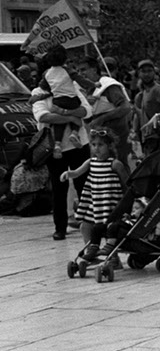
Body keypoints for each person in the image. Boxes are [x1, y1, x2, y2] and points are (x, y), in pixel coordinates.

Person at [32, 69, 90, 240]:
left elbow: (86, 111)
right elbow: (43, 116)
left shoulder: (72, 87)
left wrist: (63, 113)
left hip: (79, 146)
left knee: (84, 186)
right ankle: (60, 228)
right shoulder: (38, 93)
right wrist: (71, 118)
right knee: (59, 189)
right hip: (54, 149)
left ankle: (90, 224)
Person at [61, 127, 127, 264]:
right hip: (95, 203)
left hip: (110, 204)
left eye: (100, 145)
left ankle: (114, 258)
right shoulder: (91, 162)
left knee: (109, 229)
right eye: (93, 144)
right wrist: (68, 174)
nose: (96, 148)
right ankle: (91, 252)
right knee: (85, 226)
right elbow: (77, 172)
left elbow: (126, 184)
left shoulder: (115, 164)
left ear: (109, 146)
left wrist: (127, 204)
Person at [133, 59, 160, 156]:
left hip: (158, 138)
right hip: (147, 137)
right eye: (143, 71)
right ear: (139, 73)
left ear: (154, 73)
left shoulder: (156, 89)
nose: (147, 74)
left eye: (149, 71)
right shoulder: (144, 91)